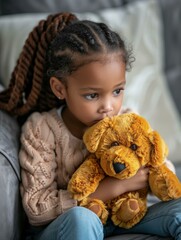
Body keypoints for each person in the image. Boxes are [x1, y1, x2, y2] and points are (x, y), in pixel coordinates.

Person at [0, 12, 181, 240]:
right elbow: (38, 208)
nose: (108, 106)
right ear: (59, 89)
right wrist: (112, 187)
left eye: (117, 91)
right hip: (69, 225)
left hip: (123, 215)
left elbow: (161, 167)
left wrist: (159, 176)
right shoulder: (42, 130)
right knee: (82, 219)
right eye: (92, 95)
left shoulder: (126, 119)